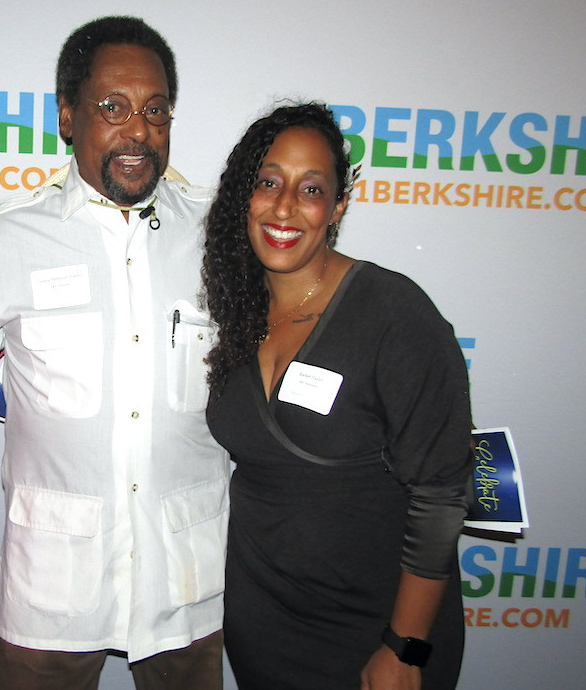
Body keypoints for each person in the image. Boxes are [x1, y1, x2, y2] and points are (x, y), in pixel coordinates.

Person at [0, 16, 230, 689]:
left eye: (155, 110)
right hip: (51, 594)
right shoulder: (8, 240)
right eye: (112, 107)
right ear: (67, 117)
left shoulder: (220, 234)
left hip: (183, 580)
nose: (138, 131)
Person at [201, 103, 472, 690]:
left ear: (339, 205)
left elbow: (441, 495)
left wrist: (405, 647)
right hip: (263, 624)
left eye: (311, 188)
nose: (284, 207)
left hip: (376, 629)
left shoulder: (393, 314)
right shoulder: (235, 309)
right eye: (269, 182)